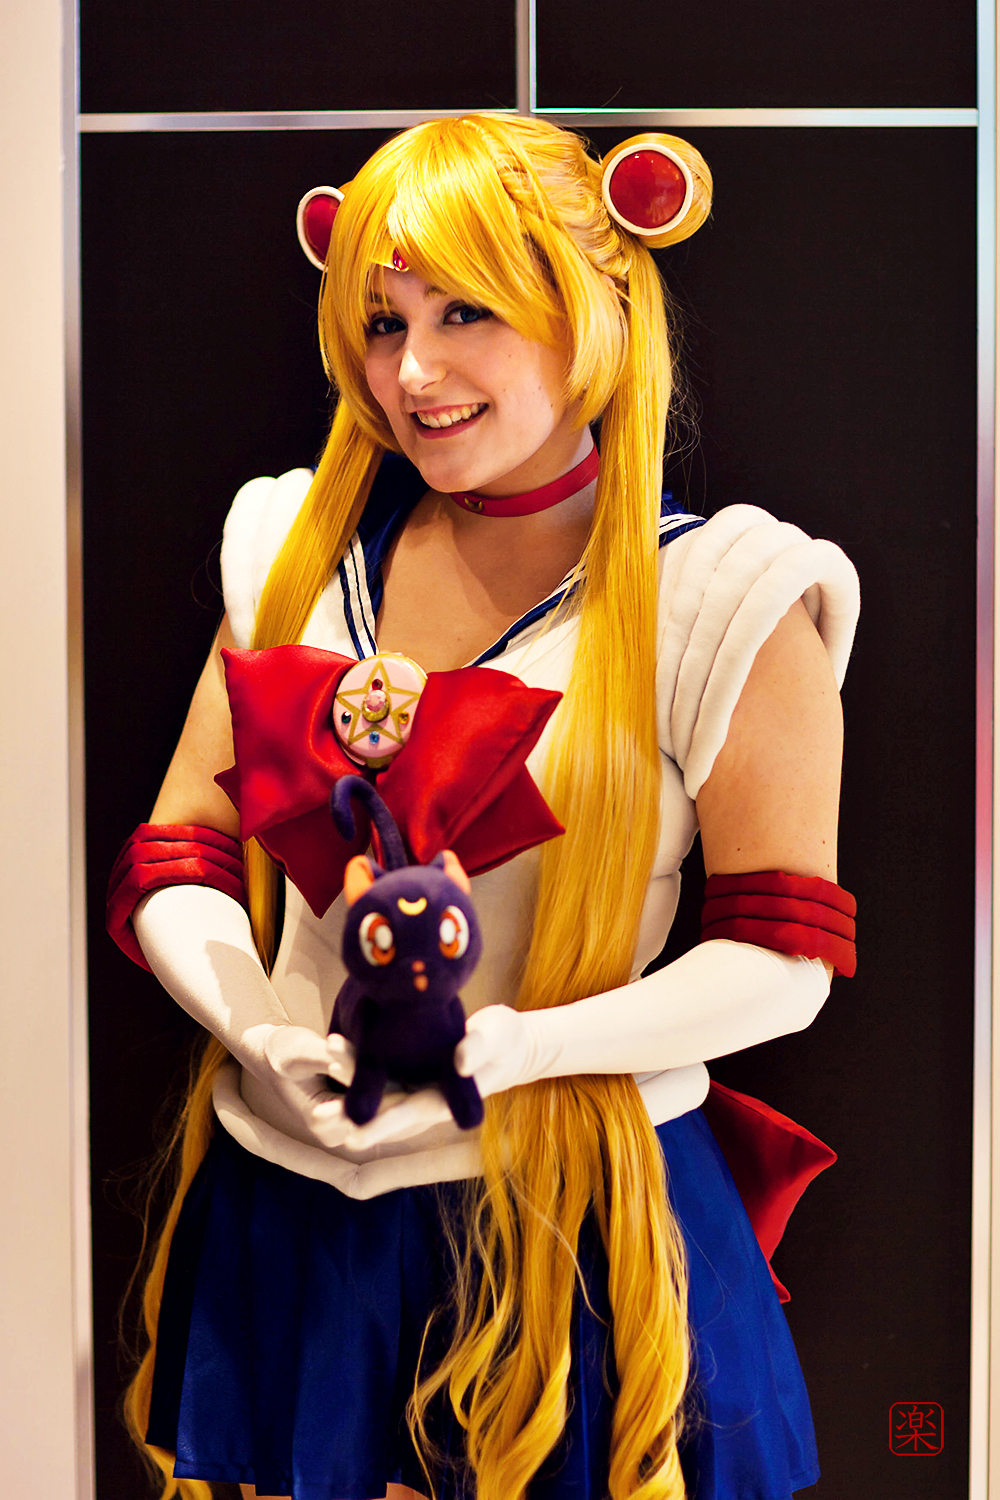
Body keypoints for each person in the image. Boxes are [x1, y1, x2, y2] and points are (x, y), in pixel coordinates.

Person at [108, 113, 859, 1500]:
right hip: (293, 1210)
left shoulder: (724, 600)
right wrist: (260, 1032)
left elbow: (784, 960)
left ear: (595, 311)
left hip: (569, 1226)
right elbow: (178, 857)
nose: (415, 372)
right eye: (382, 323)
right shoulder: (291, 556)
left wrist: (519, 1051)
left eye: (468, 313)